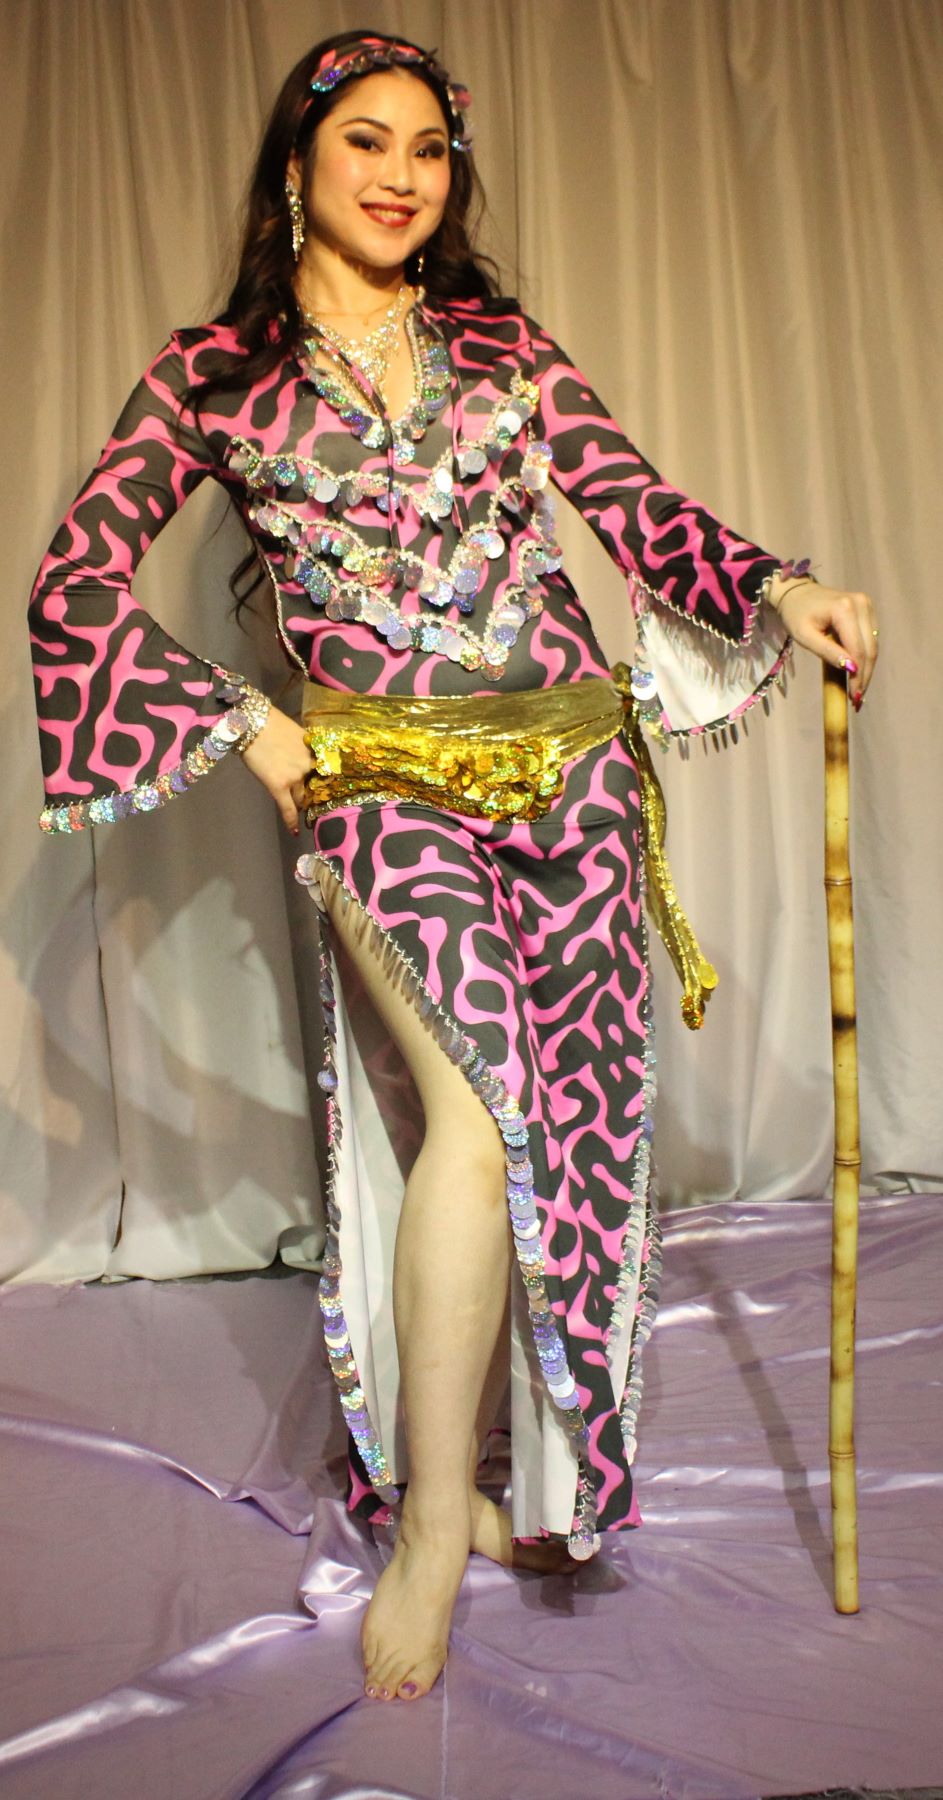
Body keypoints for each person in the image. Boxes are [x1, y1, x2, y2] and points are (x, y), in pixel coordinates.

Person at [27, 29, 878, 1705]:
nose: (401, 175)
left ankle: (535, 1489)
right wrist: (241, 722)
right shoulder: (214, 374)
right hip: (378, 784)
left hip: (573, 771)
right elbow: (74, 584)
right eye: (366, 141)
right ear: (298, 165)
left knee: (571, 1128)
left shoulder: (504, 347)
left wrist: (784, 590)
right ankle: (428, 1523)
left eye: (428, 147)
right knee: (477, 1116)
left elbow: (634, 507)